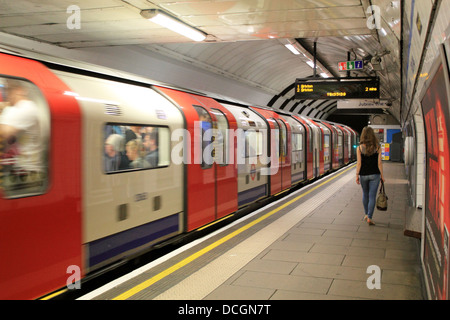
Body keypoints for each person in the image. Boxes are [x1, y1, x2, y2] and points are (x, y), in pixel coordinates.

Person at [0, 80, 44, 175]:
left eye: (10, 90)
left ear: (20, 90)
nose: (7, 94)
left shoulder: (27, 107)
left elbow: (4, 132)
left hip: (27, 172)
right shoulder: (13, 109)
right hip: (17, 168)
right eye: (6, 90)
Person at [356, 126, 385, 225]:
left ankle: (366, 214)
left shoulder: (360, 148)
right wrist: (382, 176)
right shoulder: (377, 147)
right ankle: (370, 217)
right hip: (375, 175)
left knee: (365, 194)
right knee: (372, 196)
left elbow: (359, 163)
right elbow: (379, 163)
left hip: (363, 174)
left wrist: (357, 175)